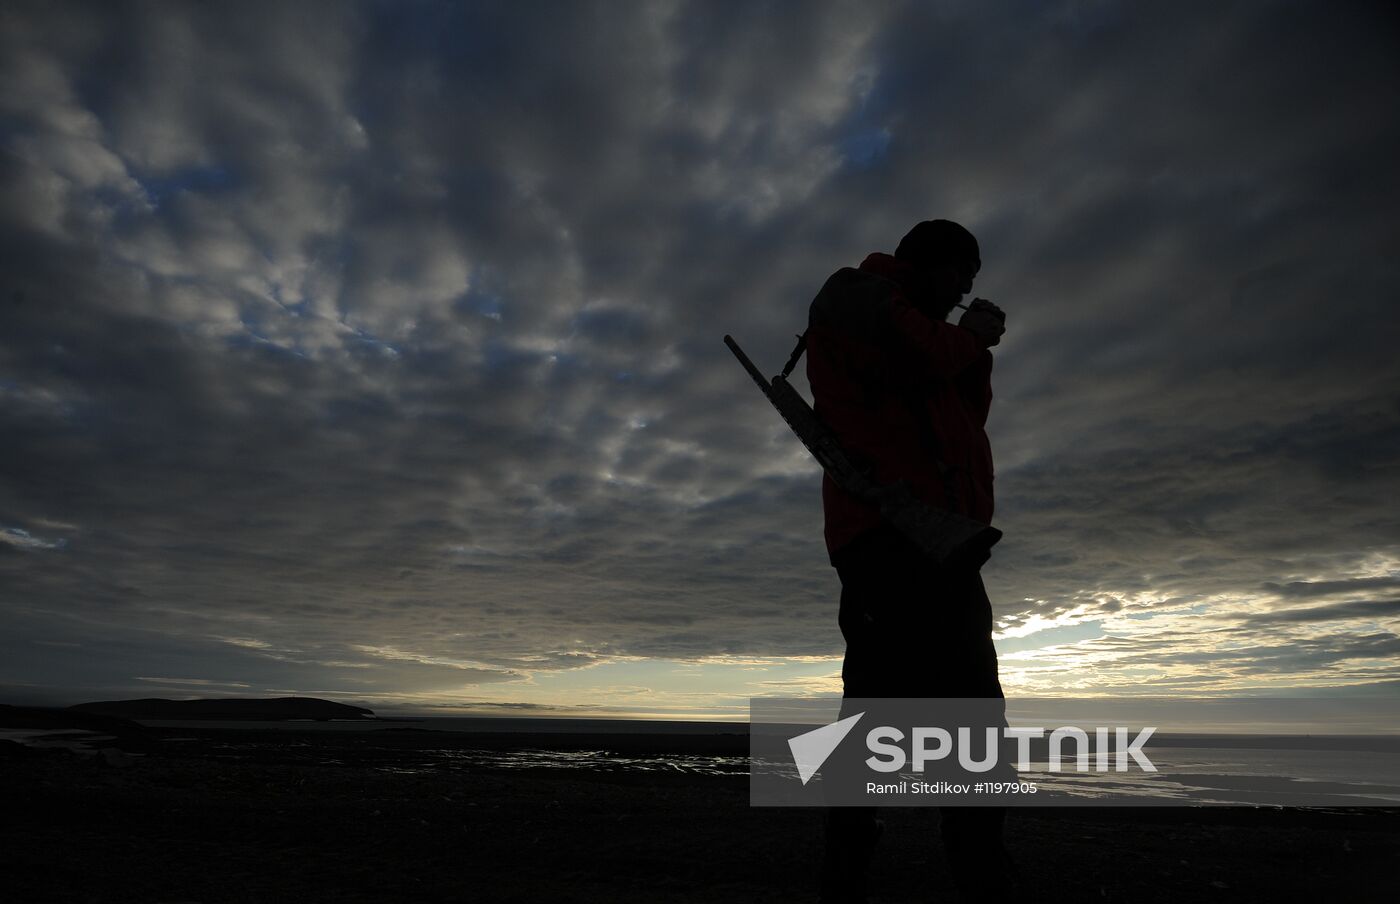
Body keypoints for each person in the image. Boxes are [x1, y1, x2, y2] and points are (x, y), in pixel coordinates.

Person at [805, 220, 1011, 902]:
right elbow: (925, 355)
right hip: (885, 541)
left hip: (944, 546)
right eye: (960, 275)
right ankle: (849, 864)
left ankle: (975, 864)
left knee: (970, 711)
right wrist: (971, 338)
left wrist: (973, 353)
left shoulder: (923, 330)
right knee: (880, 705)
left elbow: (962, 412)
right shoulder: (854, 295)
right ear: (924, 263)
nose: (963, 293)